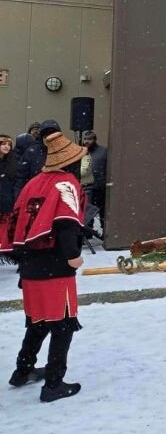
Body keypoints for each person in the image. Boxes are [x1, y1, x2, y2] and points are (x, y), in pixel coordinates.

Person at [7, 130, 86, 401]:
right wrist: (73, 254)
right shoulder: (66, 183)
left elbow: (16, 219)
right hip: (55, 263)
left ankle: (23, 370)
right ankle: (54, 383)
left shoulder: (34, 182)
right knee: (63, 324)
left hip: (30, 264)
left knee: (38, 322)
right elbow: (66, 222)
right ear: (70, 162)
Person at [83, 132, 108, 222]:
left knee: (102, 213)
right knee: (87, 214)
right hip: (86, 187)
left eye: (89, 139)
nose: (86, 141)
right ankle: (88, 234)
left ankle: (103, 232)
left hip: (100, 187)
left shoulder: (104, 151)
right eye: (85, 139)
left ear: (94, 140)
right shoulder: (81, 151)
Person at [0, 134, 18, 257]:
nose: (7, 147)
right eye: (4, 144)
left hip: (7, 200)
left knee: (5, 228)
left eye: (9, 145)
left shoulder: (13, 160)